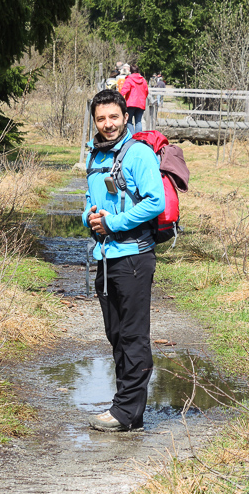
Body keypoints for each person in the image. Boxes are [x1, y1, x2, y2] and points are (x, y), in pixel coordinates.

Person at [82, 89, 165, 432]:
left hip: (133, 256)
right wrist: (88, 218)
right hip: (105, 257)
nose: (108, 124)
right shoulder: (95, 155)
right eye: (101, 118)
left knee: (133, 336)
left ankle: (127, 412)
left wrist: (113, 223)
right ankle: (126, 406)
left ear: (126, 117)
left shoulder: (138, 154)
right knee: (116, 334)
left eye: (113, 117)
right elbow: (90, 199)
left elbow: (155, 201)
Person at [120, 65, 149, 134]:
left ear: (130, 71)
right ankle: (138, 138)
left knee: (129, 120)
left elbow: (124, 90)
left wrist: (119, 97)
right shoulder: (143, 80)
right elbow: (146, 91)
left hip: (131, 103)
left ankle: (132, 137)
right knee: (138, 121)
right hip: (141, 103)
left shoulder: (129, 79)